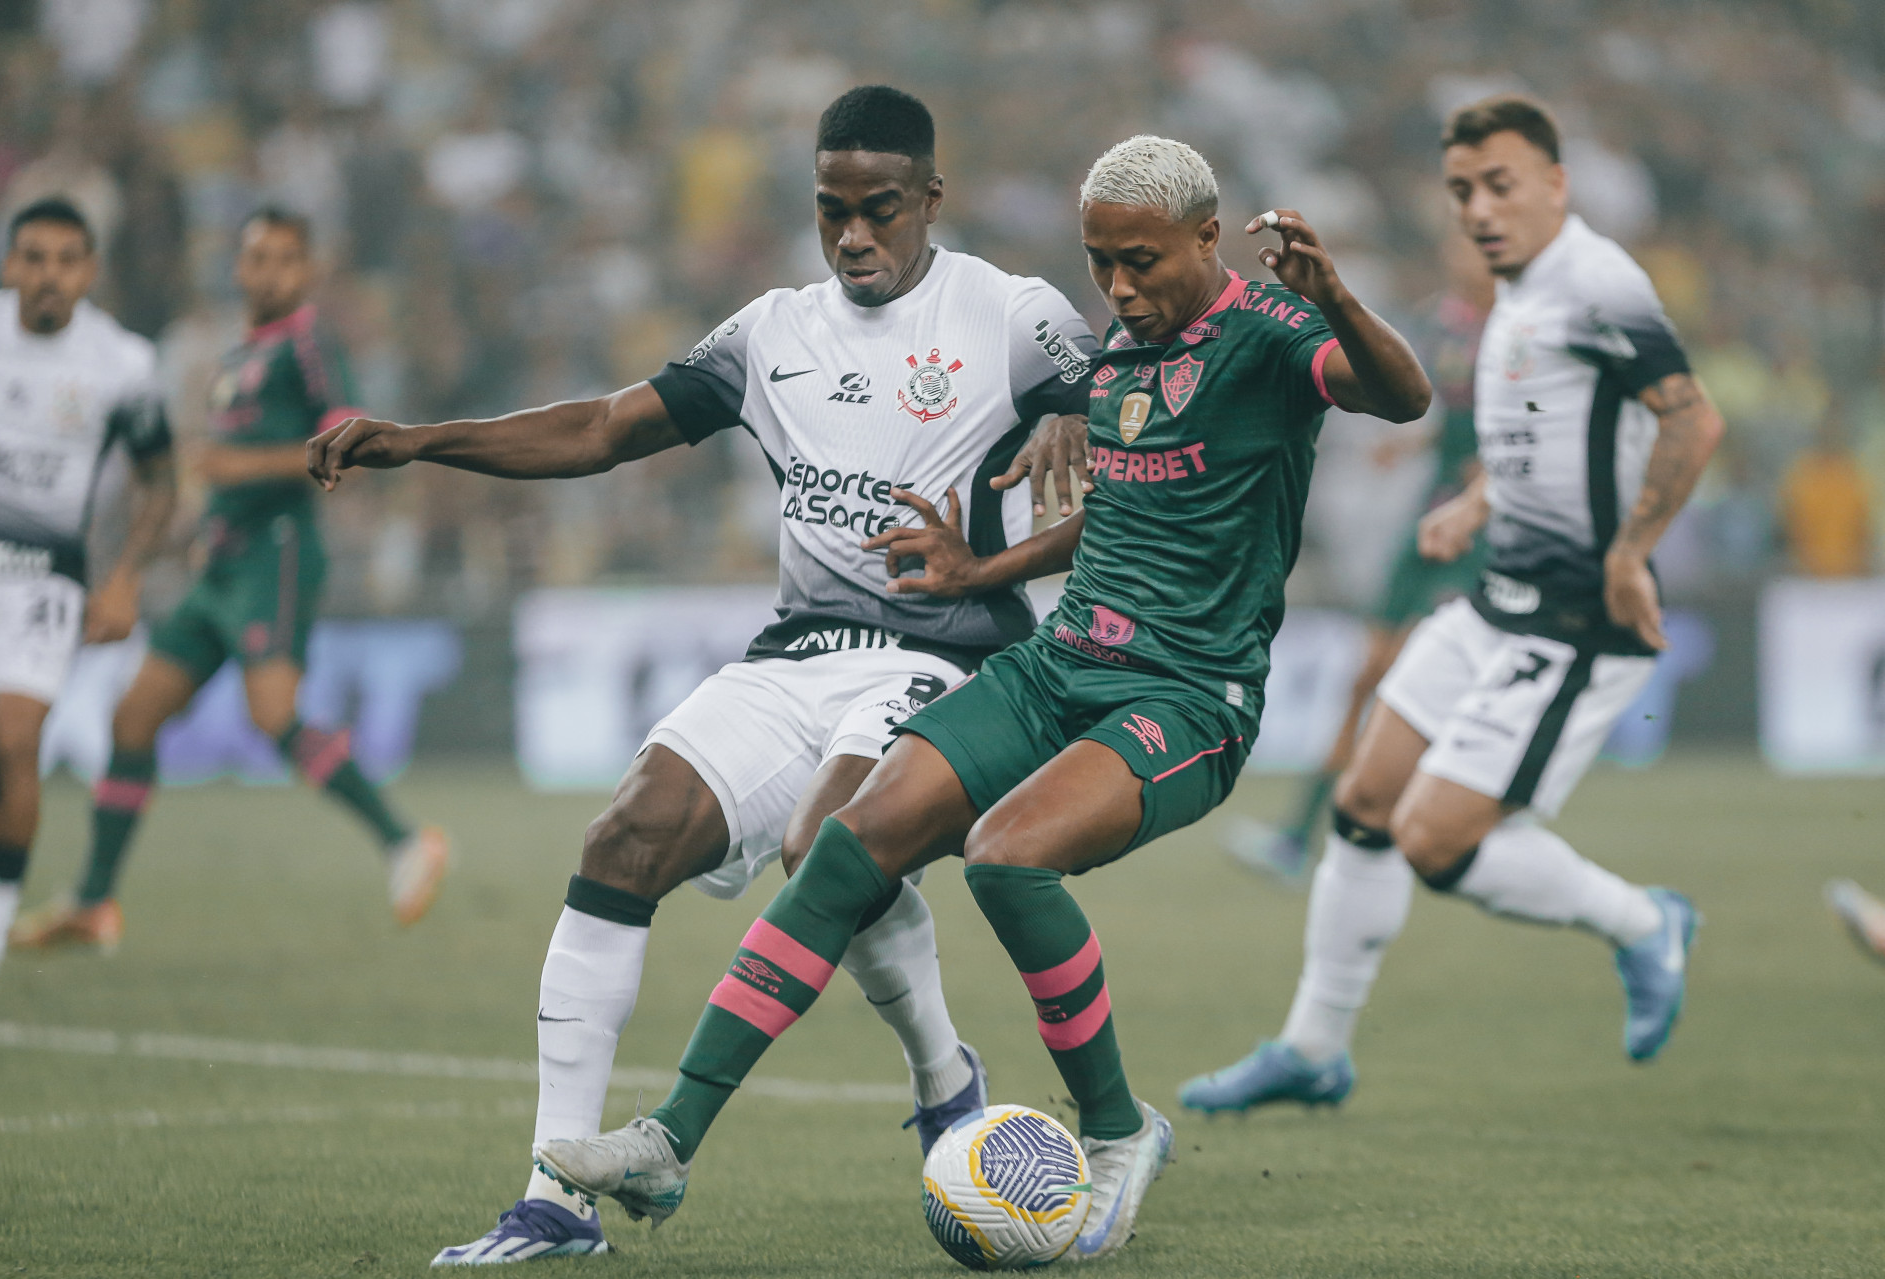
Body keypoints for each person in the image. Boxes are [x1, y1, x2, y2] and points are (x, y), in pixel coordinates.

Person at [527, 134, 1431, 1262]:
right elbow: (1120, 508)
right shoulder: (1126, 341)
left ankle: (1115, 1130)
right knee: (849, 846)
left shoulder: (1273, 334)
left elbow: (1403, 396)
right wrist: (980, 573)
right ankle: (671, 1135)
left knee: (1007, 854)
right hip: (1059, 668)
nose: (1119, 287)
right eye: (1101, 262)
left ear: (1210, 237)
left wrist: (1336, 295)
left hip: (1189, 698)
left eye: (1141, 261)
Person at [305, 86, 1101, 1266]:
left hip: (946, 654)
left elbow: (1138, 394)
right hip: (798, 652)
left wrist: (1079, 414)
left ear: (932, 199)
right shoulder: (770, 331)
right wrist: (424, 439)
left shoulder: (1012, 316)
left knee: (826, 839)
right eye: (831, 211)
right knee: (623, 837)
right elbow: (601, 429)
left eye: (879, 211)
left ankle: (940, 1081)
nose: (852, 237)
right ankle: (553, 1199)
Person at [1179, 95, 1726, 1117]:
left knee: (1440, 841)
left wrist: (1631, 553)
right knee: (1366, 799)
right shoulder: (1517, 297)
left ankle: (1645, 921)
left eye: (1502, 184)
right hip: (1492, 599)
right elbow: (1550, 434)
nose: (1479, 207)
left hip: (1572, 621)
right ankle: (1313, 1047)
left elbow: (1690, 420)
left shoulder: (1598, 282)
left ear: (1557, 185)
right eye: (1464, 189)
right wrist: (1476, 501)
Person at [12, 207, 448, 953]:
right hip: (219, 559)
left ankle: (406, 842)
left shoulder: (307, 342)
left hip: (275, 552)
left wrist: (243, 467)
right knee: (133, 718)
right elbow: (216, 469)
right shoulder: (238, 353)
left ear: (305, 270)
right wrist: (197, 523)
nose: (269, 270)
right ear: (238, 267)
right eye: (257, 257)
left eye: (285, 258)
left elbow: (347, 443)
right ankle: (92, 902)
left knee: (273, 715)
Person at [0, 198, 176, 1005]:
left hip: (39, 581)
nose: (47, 274)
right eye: (33, 257)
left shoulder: (122, 362)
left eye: (65, 259)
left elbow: (162, 483)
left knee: (15, 744)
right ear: (9, 264)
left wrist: (124, 576)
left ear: (89, 271)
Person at [1233, 230, 1494, 883]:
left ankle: (1458, 824)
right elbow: (1431, 404)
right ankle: (1298, 835)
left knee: (1436, 680)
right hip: (1431, 518)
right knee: (1365, 675)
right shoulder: (1443, 321)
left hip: (1487, 526)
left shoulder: (1523, 330)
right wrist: (1408, 447)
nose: (1459, 251)